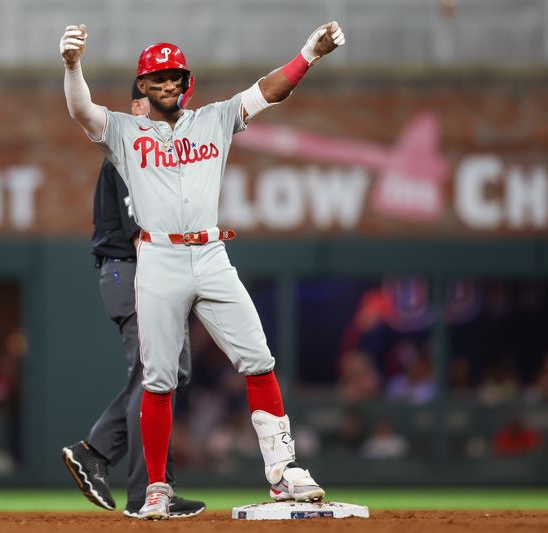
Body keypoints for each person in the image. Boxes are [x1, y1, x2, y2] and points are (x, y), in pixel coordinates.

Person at [60, 20, 345, 519]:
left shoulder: (213, 118)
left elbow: (268, 92)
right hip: (159, 257)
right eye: (159, 77)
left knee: (258, 358)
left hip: (211, 254)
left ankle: (283, 473)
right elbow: (81, 109)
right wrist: (72, 65)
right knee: (158, 379)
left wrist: (308, 54)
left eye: (176, 75)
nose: (170, 83)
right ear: (143, 86)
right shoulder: (126, 132)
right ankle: (156, 489)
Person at [61, 81, 205, 519]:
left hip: (142, 272)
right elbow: (142, 228)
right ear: (134, 107)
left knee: (170, 370)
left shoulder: (157, 153)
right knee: (154, 374)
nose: (160, 109)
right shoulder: (128, 154)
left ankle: (97, 451)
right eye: (148, 102)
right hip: (131, 269)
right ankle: (147, 489)